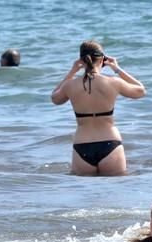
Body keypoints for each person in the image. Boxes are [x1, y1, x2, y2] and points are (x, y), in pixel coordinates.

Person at [51, 40, 146, 176]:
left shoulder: (70, 85)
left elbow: (55, 98)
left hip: (82, 146)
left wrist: (72, 71)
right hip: (110, 143)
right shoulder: (113, 82)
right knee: (115, 194)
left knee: (84, 195)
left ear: (81, 61)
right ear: (102, 59)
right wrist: (117, 68)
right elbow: (141, 91)